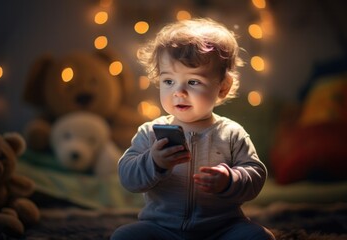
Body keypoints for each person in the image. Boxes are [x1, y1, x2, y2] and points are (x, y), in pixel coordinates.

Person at [111, 18, 275, 240]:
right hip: (162, 228)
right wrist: (154, 163)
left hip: (222, 229)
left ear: (223, 87)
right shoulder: (151, 132)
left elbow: (255, 175)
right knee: (124, 237)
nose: (179, 92)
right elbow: (127, 177)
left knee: (260, 237)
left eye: (193, 82)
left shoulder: (232, 133)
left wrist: (230, 179)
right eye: (169, 81)